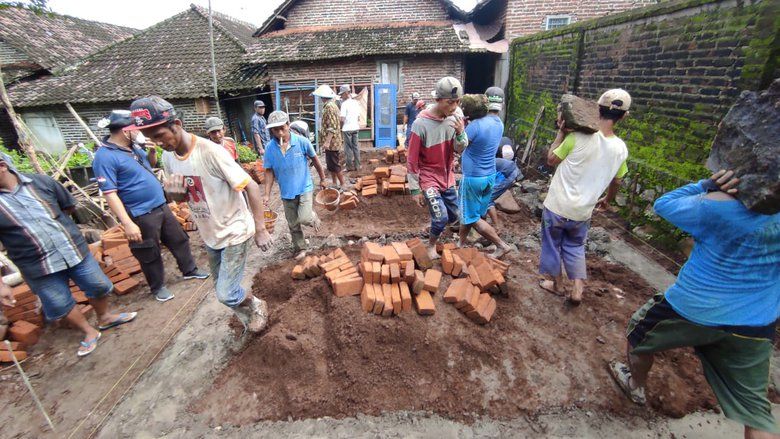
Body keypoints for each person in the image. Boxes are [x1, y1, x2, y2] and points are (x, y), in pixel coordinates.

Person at [609, 169, 780, 439]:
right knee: (756, 413)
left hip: (692, 307)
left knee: (638, 335)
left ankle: (635, 385)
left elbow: (664, 204)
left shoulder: (716, 207)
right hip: (756, 321)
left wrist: (707, 184)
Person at [128, 96, 272, 334]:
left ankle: (256, 305)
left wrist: (261, 229)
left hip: (234, 229)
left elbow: (251, 187)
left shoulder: (211, 152)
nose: (157, 143)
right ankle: (249, 319)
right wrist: (174, 195)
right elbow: (185, 196)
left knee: (226, 293)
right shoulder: (168, 158)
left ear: (176, 125)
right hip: (211, 234)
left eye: (159, 135)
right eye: (151, 138)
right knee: (220, 288)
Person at [0, 153, 137, 357]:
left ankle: (104, 317)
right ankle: (88, 331)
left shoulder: (41, 182)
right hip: (36, 265)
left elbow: (68, 206)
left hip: (73, 249)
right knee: (58, 303)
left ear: (2, 165)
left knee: (98, 285)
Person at [93, 110, 208, 303]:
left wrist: (152, 151)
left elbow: (150, 165)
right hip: (140, 213)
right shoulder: (105, 157)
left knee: (179, 239)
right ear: (125, 130)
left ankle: (190, 270)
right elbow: (110, 194)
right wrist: (128, 223)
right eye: (136, 129)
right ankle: (157, 287)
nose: (141, 132)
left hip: (160, 205)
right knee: (149, 251)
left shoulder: (134, 149)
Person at [539, 89, 631, 305]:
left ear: (596, 108)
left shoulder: (577, 136)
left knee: (552, 244)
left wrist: (560, 133)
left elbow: (551, 159)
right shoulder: (621, 149)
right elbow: (617, 180)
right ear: (624, 116)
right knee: (574, 246)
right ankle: (578, 289)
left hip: (557, 206)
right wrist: (608, 200)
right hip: (583, 211)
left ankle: (557, 285)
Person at [407, 77, 468, 261]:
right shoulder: (421, 124)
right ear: (438, 100)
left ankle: (435, 228)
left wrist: (460, 133)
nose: (454, 106)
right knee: (441, 217)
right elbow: (412, 158)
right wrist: (415, 188)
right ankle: (431, 244)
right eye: (450, 102)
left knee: (455, 215)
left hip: (447, 175)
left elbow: (460, 148)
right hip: (428, 177)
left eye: (458, 101)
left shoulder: (457, 116)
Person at [263, 111, 328, 260]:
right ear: (271, 130)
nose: (279, 132)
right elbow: (269, 171)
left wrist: (323, 179)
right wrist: (266, 193)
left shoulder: (302, 141)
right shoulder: (270, 148)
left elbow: (316, 160)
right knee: (292, 224)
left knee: (304, 218)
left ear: (288, 125)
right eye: (275, 130)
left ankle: (313, 217)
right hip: (286, 192)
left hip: (304, 187)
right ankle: (301, 248)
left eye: (282, 128)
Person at [458, 86, 513, 257]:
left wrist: (460, 130)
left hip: (474, 178)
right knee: (471, 213)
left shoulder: (476, 125)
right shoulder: (499, 124)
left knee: (472, 218)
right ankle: (459, 244)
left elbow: (458, 147)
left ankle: (501, 245)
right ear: (501, 105)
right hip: (489, 176)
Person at [314, 85, 345, 187]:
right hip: (332, 142)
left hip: (332, 143)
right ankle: (335, 183)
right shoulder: (332, 105)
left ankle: (343, 184)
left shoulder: (329, 106)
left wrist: (327, 142)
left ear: (323, 96)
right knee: (331, 165)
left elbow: (332, 126)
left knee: (334, 164)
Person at [485, 157, 522, 227]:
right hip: (508, 170)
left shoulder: (479, 165)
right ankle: (483, 219)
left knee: (487, 199)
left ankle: (497, 226)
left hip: (508, 173)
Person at [339, 85, 361, 172]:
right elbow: (359, 118)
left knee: (348, 148)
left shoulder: (344, 104)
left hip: (347, 129)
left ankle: (349, 167)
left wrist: (340, 126)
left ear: (346, 93)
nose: (341, 96)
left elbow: (342, 119)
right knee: (356, 147)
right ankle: (358, 166)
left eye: (342, 94)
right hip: (355, 127)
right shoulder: (356, 103)